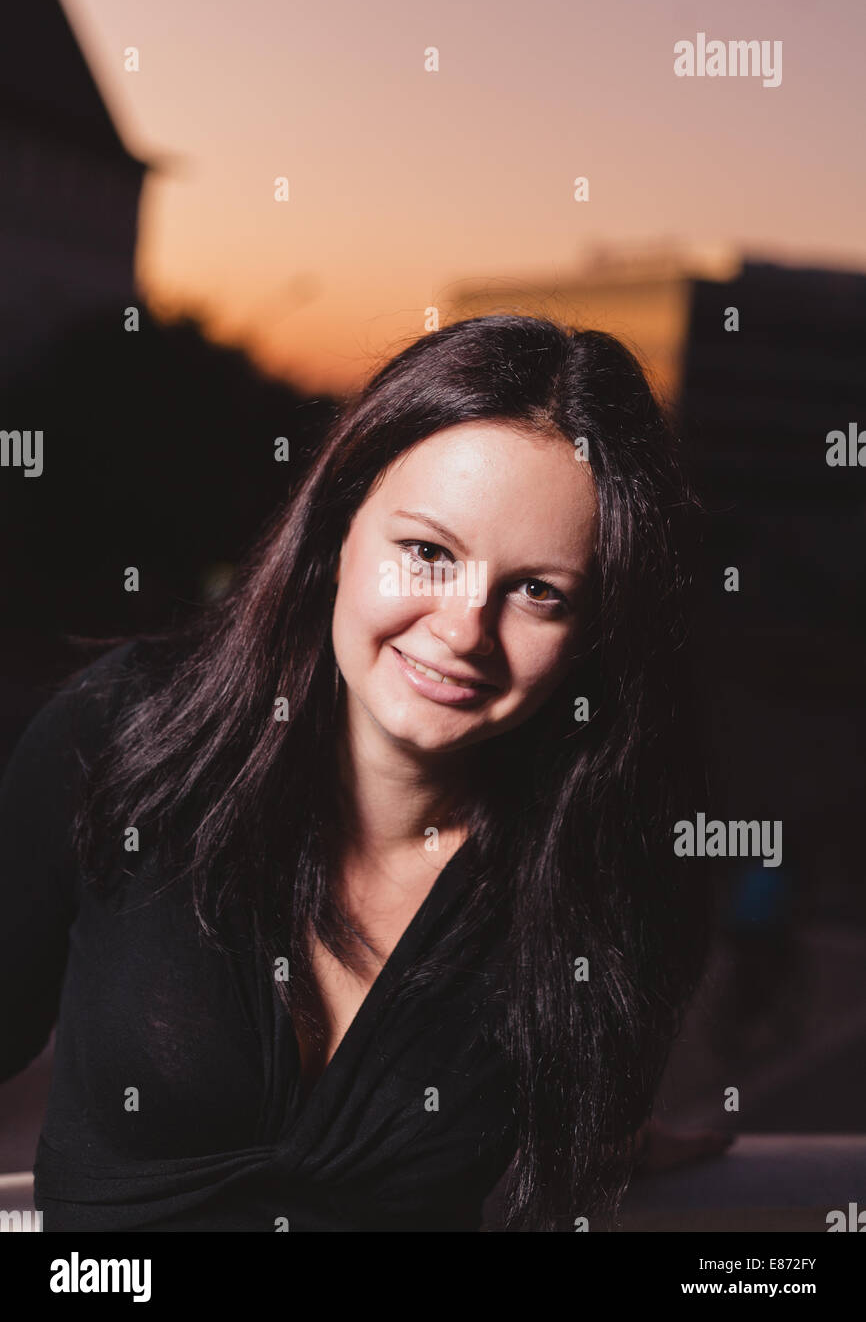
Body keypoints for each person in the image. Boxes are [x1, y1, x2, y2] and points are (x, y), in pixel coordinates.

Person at [0, 314, 722, 1232]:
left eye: (539, 591)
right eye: (427, 552)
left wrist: (612, 1133)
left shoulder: (607, 885)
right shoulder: (124, 733)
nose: (464, 630)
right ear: (340, 529)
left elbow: (566, 1111)